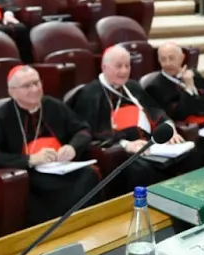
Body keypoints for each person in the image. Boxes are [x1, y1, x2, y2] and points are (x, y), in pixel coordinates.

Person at [0, 66, 98, 224]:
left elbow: (83, 130)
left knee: (89, 175)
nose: (34, 89)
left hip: (62, 166)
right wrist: (29, 160)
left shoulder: (53, 105)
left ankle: (88, 224)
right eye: (27, 86)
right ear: (12, 91)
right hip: (30, 174)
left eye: (36, 83)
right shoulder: (0, 118)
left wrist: (72, 147)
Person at [70, 47, 189, 191]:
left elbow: (154, 110)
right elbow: (93, 133)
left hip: (152, 146)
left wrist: (169, 127)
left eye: (127, 65)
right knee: (142, 170)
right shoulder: (90, 94)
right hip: (121, 153)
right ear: (104, 67)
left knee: (188, 155)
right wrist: (125, 144)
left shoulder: (132, 86)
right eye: (119, 66)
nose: (124, 71)